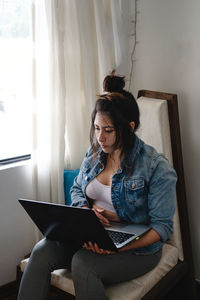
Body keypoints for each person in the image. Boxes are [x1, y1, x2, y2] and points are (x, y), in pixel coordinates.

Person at [17, 72, 177, 300]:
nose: (100, 138)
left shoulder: (155, 167)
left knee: (83, 264)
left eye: (108, 130)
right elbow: (76, 189)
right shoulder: (95, 153)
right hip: (92, 234)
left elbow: (161, 228)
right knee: (42, 250)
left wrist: (118, 247)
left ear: (129, 128)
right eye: (97, 128)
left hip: (137, 249)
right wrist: (85, 212)